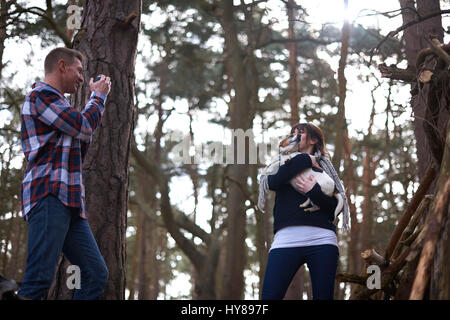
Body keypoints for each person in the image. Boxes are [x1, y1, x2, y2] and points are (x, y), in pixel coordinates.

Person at [18, 47, 111, 300]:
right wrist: (97, 97)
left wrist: (92, 105)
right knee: (38, 281)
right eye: (79, 70)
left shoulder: (60, 104)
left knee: (95, 274)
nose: (82, 77)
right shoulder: (41, 96)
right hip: (48, 194)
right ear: (62, 66)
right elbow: (82, 126)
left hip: (70, 202)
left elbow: (78, 144)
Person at [261, 122, 349, 300]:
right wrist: (306, 159)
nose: (294, 135)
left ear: (314, 139)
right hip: (285, 240)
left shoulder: (325, 169)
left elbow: (333, 208)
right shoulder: (282, 163)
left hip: (322, 240)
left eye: (300, 132)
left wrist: (313, 191)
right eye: (292, 132)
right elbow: (272, 183)